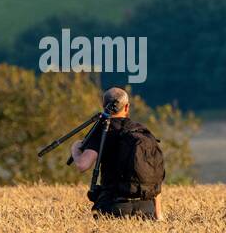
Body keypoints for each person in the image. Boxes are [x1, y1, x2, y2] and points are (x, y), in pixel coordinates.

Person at [70, 87, 166, 220]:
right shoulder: (141, 131)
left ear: (104, 106)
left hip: (114, 206)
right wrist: (158, 214)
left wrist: (75, 148)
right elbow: (153, 175)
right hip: (146, 208)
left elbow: (82, 165)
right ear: (127, 107)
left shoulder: (103, 131)